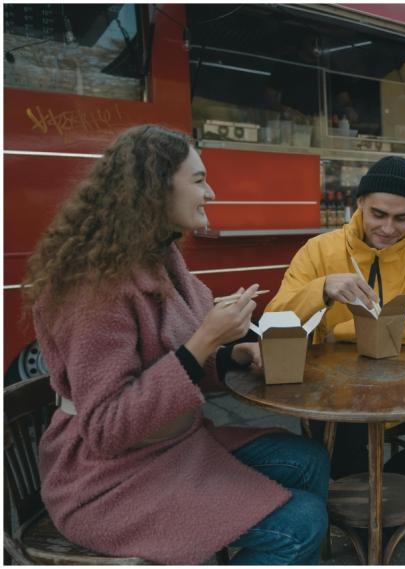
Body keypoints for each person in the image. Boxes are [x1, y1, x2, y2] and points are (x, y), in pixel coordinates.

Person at [23, 125, 329, 565]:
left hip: (170, 449)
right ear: (155, 188)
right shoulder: (92, 287)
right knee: (300, 523)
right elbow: (107, 429)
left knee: (309, 460)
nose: (212, 193)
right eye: (200, 180)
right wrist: (205, 341)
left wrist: (232, 354)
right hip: (106, 482)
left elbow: (172, 359)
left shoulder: (160, 257)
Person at [265, 155, 405, 483]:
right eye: (378, 214)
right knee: (338, 457)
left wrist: (344, 330)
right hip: (333, 388)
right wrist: (322, 288)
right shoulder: (318, 250)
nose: (388, 229)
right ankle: (376, 499)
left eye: (401, 218)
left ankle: (383, 493)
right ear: (360, 202)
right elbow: (274, 320)